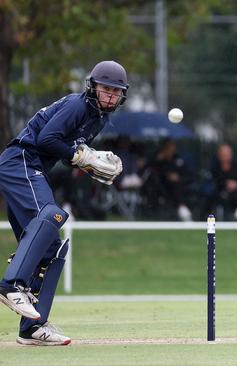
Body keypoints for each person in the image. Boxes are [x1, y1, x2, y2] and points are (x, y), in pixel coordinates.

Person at [0, 60, 129, 346]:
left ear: (122, 95)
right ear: (92, 87)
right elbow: (47, 140)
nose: (110, 96)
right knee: (52, 216)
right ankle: (11, 285)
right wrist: (81, 158)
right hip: (20, 161)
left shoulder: (99, 118)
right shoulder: (78, 105)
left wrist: (90, 161)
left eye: (115, 92)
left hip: (33, 169)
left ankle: (33, 327)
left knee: (52, 249)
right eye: (105, 89)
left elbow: (68, 149)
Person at [210, 143, 237, 221]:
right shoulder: (215, 169)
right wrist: (226, 183)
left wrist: (236, 184)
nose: (225, 156)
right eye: (223, 154)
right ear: (219, 155)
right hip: (221, 194)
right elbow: (214, 182)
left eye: (227, 153)